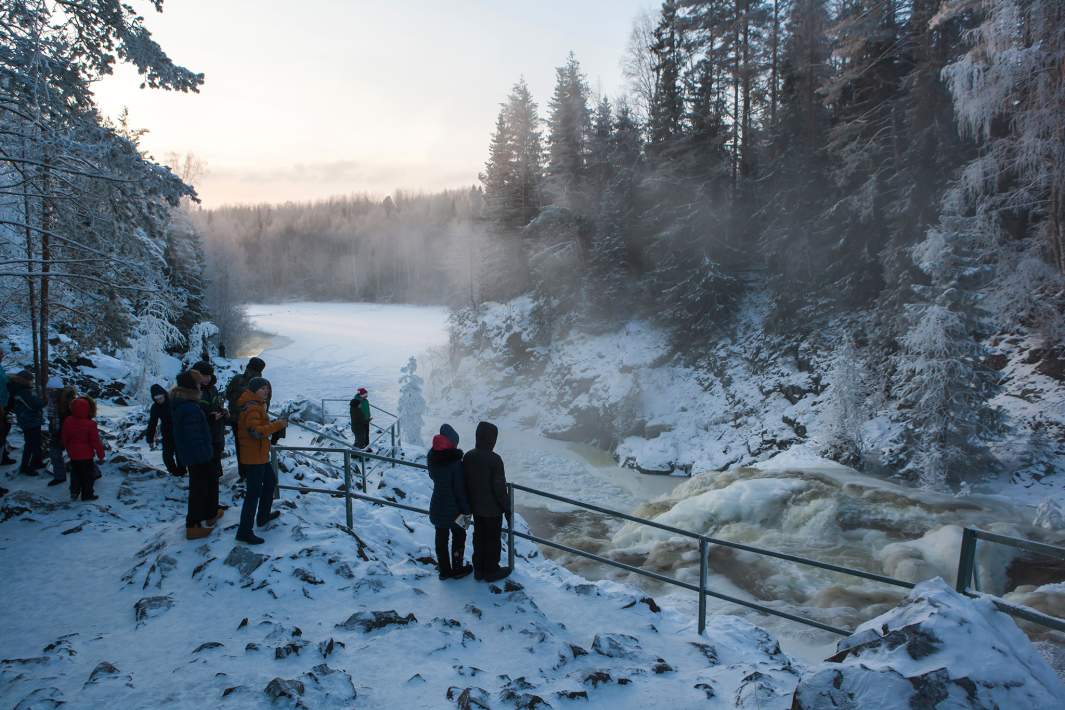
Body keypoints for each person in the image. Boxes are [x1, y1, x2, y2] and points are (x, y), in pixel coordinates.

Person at [235, 377, 287, 545]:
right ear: (254, 390)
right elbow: (256, 432)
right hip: (254, 457)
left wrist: (273, 424)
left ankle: (263, 516)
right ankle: (244, 531)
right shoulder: (252, 408)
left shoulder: (256, 406)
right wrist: (278, 425)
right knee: (253, 494)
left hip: (259, 455)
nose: (267, 391)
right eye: (263, 388)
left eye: (268, 389)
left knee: (270, 482)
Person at [463, 421, 511, 582]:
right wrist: (508, 510)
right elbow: (499, 489)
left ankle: (479, 569)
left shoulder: (468, 456)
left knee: (479, 537)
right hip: (492, 510)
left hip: (475, 507)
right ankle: (491, 570)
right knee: (492, 539)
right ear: (492, 439)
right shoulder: (495, 460)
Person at [171, 370, 216, 539]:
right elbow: (194, 436)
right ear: (191, 386)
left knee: (202, 485)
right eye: (197, 383)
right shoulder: (189, 407)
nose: (200, 385)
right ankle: (193, 525)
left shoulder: (184, 403)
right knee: (198, 489)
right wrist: (204, 454)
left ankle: (205, 516)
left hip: (194, 454)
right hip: (198, 456)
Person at [428, 424, 473, 581]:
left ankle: (444, 570)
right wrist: (467, 511)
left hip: (437, 505)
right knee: (459, 536)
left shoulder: (432, 456)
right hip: (454, 509)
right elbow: (460, 491)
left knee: (441, 538)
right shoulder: (455, 464)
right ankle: (457, 568)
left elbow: (434, 476)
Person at [191, 361, 228, 522]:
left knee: (214, 475)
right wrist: (211, 417)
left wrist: (223, 413)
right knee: (206, 478)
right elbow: (194, 418)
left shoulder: (212, 390)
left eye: (209, 375)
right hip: (206, 440)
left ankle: (213, 506)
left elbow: (215, 407)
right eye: (203, 375)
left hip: (216, 437)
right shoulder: (193, 393)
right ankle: (207, 511)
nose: (207, 378)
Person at [225, 357, 265, 480]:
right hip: (248, 421)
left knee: (241, 446)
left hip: (238, 419)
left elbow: (228, 394)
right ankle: (250, 473)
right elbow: (264, 402)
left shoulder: (238, 379)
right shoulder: (261, 383)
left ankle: (245, 473)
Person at [61, 397, 105, 501]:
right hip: (86, 456)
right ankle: (87, 495)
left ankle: (74, 492)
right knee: (88, 476)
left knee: (75, 473)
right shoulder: (90, 424)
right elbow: (96, 441)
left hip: (73, 454)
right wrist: (101, 455)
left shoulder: (68, 420)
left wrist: (68, 448)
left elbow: (64, 437)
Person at [8, 368, 45, 475]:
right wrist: (43, 401)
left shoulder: (19, 390)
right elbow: (35, 405)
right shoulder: (24, 391)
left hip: (28, 420)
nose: (31, 382)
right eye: (30, 380)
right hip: (30, 421)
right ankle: (26, 466)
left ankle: (36, 461)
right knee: (31, 444)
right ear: (25, 380)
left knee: (35, 443)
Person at [145, 384, 185, 477]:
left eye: (160, 397)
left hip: (179, 431)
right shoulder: (155, 407)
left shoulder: (173, 401)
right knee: (167, 455)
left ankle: (182, 472)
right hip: (167, 433)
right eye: (156, 399)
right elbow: (152, 423)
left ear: (164, 394)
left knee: (180, 454)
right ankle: (173, 472)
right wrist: (150, 439)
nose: (159, 400)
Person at [44, 377, 75, 487]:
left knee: (58, 454)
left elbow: (55, 417)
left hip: (61, 431)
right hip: (61, 430)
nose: (48, 391)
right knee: (72, 454)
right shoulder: (62, 399)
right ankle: (60, 476)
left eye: (50, 389)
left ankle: (60, 476)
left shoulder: (61, 400)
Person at [0, 349, 14, 466]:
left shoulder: (1, 368)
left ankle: (3, 456)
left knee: (4, 431)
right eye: (0, 353)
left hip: (5, 404)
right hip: (1, 406)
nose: (2, 355)